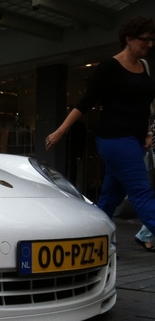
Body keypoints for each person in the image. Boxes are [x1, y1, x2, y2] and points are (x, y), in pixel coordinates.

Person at [45, 17, 155, 252]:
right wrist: (60, 131)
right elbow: (85, 102)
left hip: (134, 141)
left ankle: (95, 242)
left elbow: (144, 105)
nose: (150, 44)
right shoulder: (109, 68)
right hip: (114, 139)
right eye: (145, 40)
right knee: (141, 192)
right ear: (129, 39)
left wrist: (146, 132)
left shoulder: (143, 67)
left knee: (110, 197)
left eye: (152, 40)